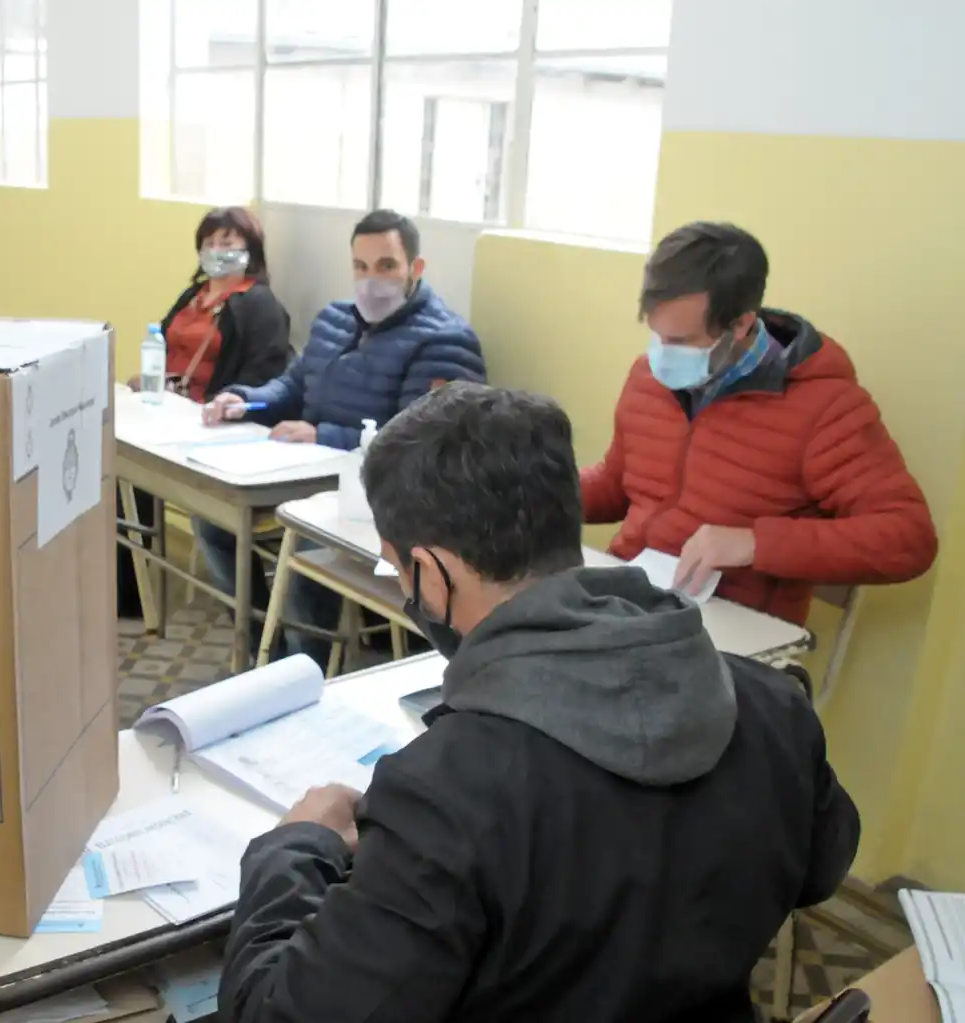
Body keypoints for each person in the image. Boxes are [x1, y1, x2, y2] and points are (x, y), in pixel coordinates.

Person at [220, 382, 861, 1023]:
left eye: (399, 570)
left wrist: (295, 847)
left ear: (434, 573)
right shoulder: (774, 703)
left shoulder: (445, 796)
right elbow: (821, 867)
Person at [581, 222, 936, 624]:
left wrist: (755, 543)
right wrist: (533, 489)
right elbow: (619, 484)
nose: (662, 354)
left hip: (729, 636)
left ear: (741, 325)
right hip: (626, 604)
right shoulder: (650, 377)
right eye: (656, 335)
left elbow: (910, 539)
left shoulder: (826, 407)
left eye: (680, 341)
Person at [197, 209, 487, 662]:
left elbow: (416, 443)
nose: (373, 279)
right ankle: (261, 653)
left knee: (307, 560)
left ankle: (304, 669)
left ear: (416, 268)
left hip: (369, 493)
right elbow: (291, 386)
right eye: (361, 266)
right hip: (300, 472)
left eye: (387, 266)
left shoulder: (444, 340)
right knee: (212, 517)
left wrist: (323, 433)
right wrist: (243, 399)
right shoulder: (335, 320)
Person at [117, 206, 292, 620]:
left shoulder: (260, 305)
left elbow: (261, 376)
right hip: (168, 412)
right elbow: (162, 342)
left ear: (251, 251)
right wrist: (151, 378)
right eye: (210, 243)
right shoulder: (193, 296)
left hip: (211, 425)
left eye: (228, 244)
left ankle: (253, 625)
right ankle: (132, 594)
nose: (217, 251)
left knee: (205, 515)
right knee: (118, 469)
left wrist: (213, 402)